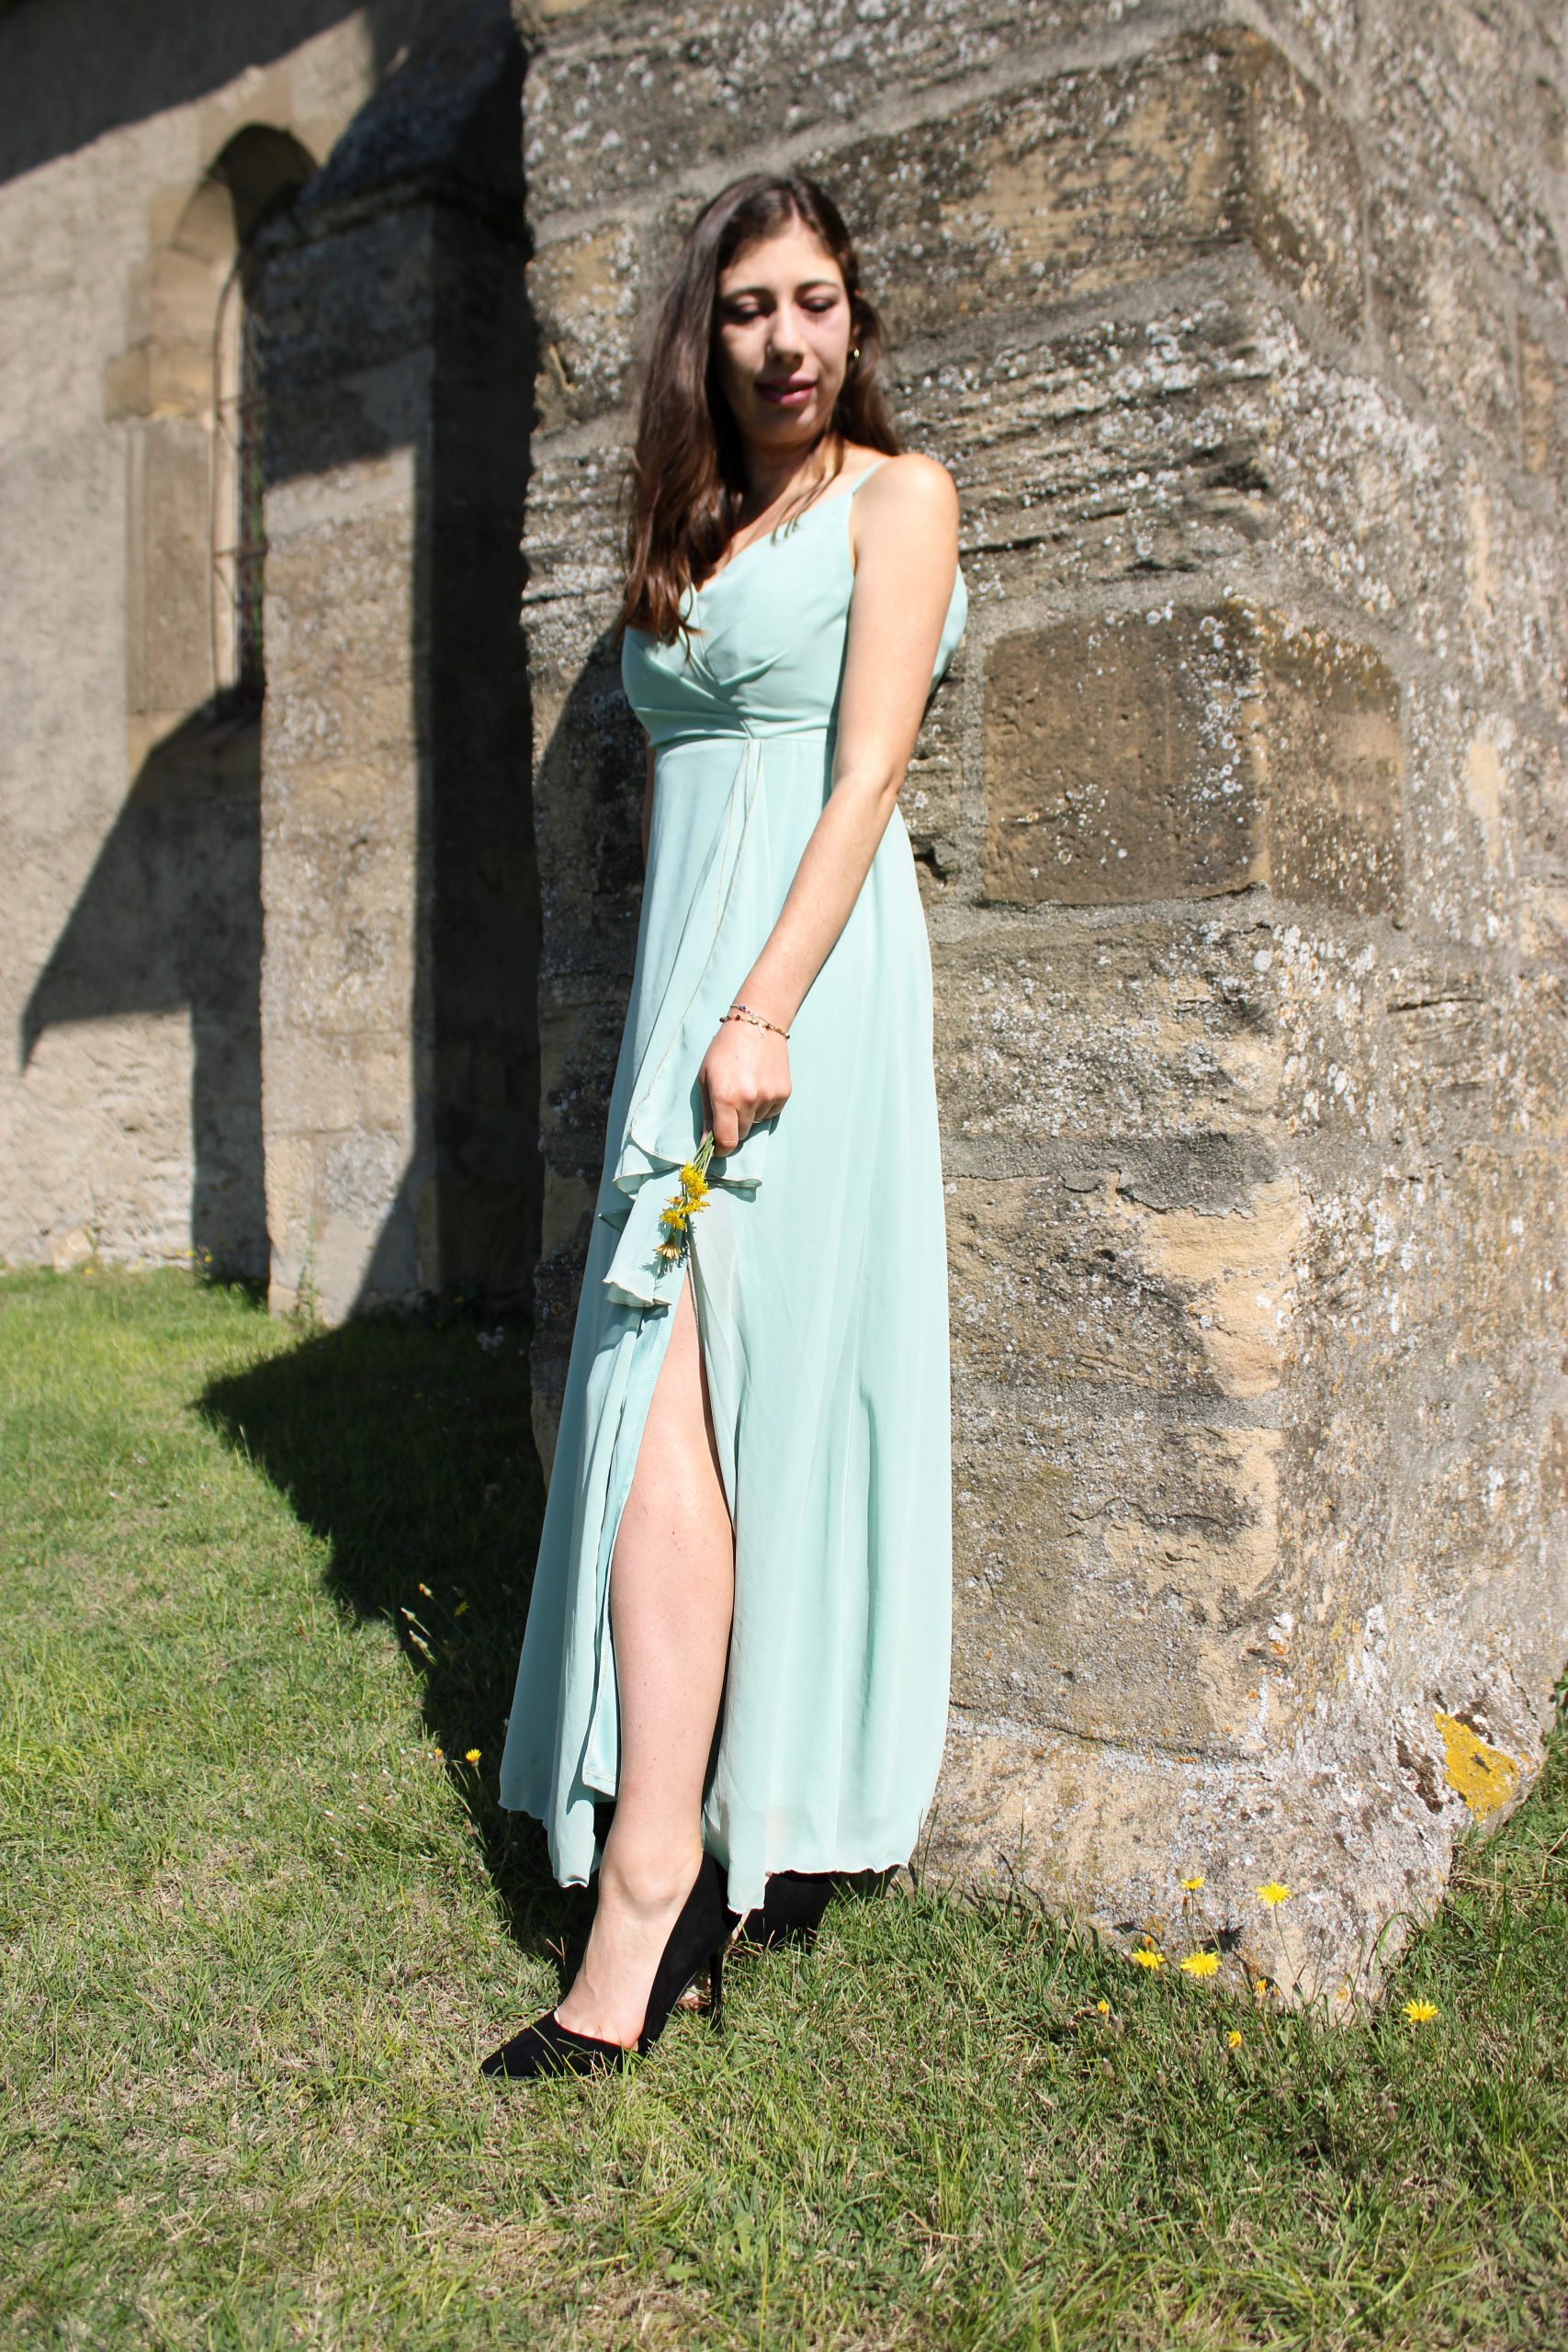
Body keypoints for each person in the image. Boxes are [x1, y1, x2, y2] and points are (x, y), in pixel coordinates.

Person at [481, 169, 967, 2081]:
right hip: (690, 997)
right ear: (712, 334)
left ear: (857, 314)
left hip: (797, 995)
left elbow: (865, 771)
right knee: (652, 1415)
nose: (786, 340)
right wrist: (704, 1004)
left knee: (688, 1398)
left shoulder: (895, 501)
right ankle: (673, 1858)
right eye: (750, 306)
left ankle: (652, 1884)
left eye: (815, 299)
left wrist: (761, 1006)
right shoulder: (700, 528)